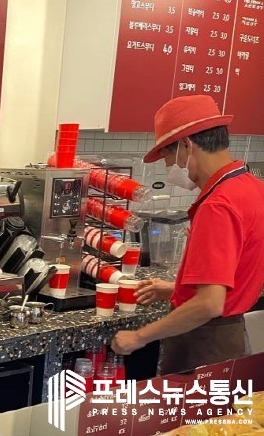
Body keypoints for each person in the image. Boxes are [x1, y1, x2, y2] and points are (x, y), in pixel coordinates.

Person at [111, 95, 264, 375]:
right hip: (231, 340)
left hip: (204, 344)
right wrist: (177, 290)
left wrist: (139, 337)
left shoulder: (218, 205)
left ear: (186, 145)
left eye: (167, 156)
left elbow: (209, 304)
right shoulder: (253, 187)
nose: (168, 167)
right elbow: (233, 279)